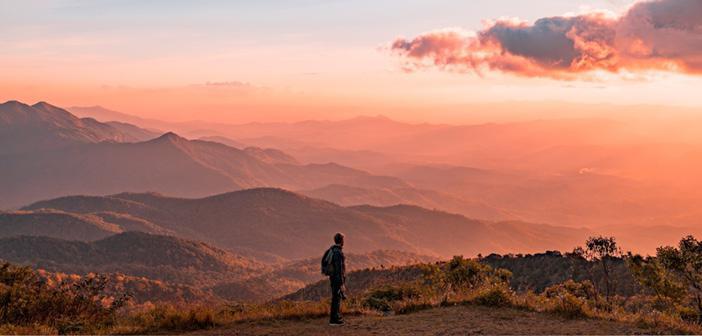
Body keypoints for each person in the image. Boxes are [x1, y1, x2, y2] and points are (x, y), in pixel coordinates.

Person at [327, 232, 346, 326]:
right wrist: (341, 283)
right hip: (337, 279)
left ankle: (335, 317)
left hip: (333, 278)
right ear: (341, 241)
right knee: (336, 299)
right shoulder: (338, 252)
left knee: (336, 298)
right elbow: (339, 269)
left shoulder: (333, 250)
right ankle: (334, 320)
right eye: (343, 240)